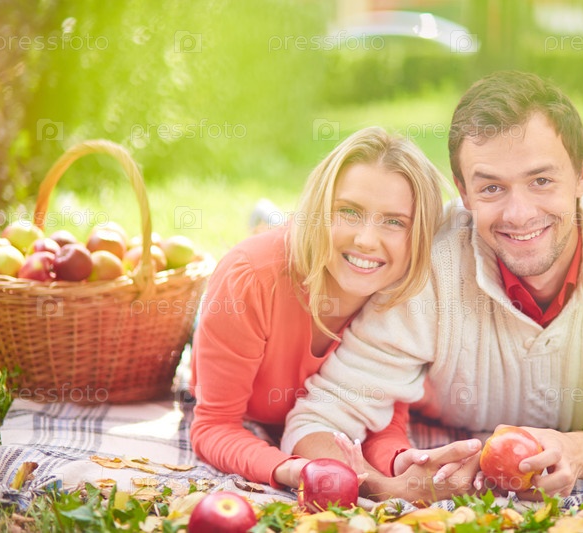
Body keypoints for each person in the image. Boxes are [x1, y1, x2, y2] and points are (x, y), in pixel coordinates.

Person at [282, 71, 583, 501]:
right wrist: (384, 487)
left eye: (541, 181)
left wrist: (577, 451)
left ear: (582, 173)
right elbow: (317, 421)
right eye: (492, 188)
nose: (519, 214)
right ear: (464, 194)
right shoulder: (430, 262)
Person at [189, 126, 447, 489]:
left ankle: (272, 217)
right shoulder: (247, 280)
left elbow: (380, 423)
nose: (367, 240)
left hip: (318, 261)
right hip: (232, 304)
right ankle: (266, 219)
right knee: (265, 253)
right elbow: (214, 426)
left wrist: (402, 461)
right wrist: (290, 469)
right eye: (349, 212)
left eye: (394, 221)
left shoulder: (402, 297)